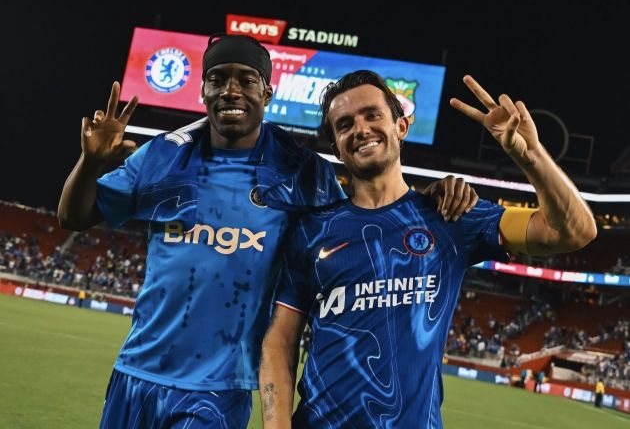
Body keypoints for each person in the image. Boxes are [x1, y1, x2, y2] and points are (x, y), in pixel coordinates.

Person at [58, 35, 478, 428]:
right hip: (136, 370)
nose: (231, 91)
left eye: (247, 80)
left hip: (219, 390)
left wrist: (426, 200)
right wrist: (91, 163)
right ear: (202, 90)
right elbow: (74, 217)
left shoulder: (301, 169)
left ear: (268, 94)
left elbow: (364, 211)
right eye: (217, 80)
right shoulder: (164, 155)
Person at [259, 70, 597, 428]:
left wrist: (531, 156)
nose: (360, 129)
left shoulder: (452, 216)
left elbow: (572, 233)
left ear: (401, 127)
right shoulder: (311, 230)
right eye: (344, 125)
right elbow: (279, 341)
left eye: (372, 115)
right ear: (337, 147)